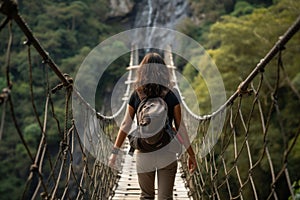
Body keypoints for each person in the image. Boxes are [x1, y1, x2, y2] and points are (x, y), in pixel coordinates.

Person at [109, 52, 197, 200]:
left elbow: (125, 124)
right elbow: (181, 127)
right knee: (165, 198)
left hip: (144, 152)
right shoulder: (172, 94)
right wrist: (191, 154)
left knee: (146, 197)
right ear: (164, 71)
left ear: (142, 71)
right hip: (167, 152)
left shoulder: (137, 94)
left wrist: (114, 153)